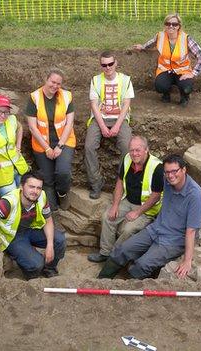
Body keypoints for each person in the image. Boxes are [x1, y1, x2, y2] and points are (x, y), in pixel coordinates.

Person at [98, 154, 201, 279]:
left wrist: (187, 261)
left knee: (142, 265)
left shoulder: (195, 196)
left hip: (174, 240)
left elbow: (191, 231)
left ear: (184, 169)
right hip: (156, 229)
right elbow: (148, 169)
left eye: (174, 171)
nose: (170, 175)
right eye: (167, 172)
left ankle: (127, 293)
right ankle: (100, 283)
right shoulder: (167, 180)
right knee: (122, 250)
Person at [0, 170, 66, 280]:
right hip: (13, 236)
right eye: (31, 187)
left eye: (38, 188)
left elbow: (48, 220)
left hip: (31, 229)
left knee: (59, 240)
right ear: (21, 186)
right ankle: (32, 276)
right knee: (36, 264)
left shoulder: (42, 196)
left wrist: (50, 245)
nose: (35, 191)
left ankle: (49, 269)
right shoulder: (9, 202)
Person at [87, 136, 163, 262]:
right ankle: (105, 253)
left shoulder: (157, 167)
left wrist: (137, 212)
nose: (134, 153)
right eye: (132, 150)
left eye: (138, 150)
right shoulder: (127, 159)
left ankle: (115, 257)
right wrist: (115, 205)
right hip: (128, 201)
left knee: (128, 229)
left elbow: (155, 196)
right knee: (107, 217)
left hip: (146, 209)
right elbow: (119, 183)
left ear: (146, 150)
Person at [84, 51, 134, 199]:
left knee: (127, 147)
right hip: (100, 118)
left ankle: (121, 183)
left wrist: (117, 125)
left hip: (120, 119)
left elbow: (126, 105)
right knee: (89, 147)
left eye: (110, 64)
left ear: (116, 63)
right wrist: (103, 127)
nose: (108, 67)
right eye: (104, 65)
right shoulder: (95, 80)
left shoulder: (125, 80)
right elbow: (94, 105)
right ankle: (96, 182)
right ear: (101, 65)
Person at [25, 68, 76, 211]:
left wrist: (59, 146)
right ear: (46, 80)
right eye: (53, 82)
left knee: (63, 172)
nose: (55, 86)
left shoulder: (67, 96)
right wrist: (47, 148)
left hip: (64, 141)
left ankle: (62, 194)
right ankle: (52, 210)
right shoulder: (34, 97)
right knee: (47, 180)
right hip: (42, 144)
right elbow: (32, 127)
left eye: (58, 84)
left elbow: (69, 123)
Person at [132, 13, 201, 107]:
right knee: (160, 86)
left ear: (179, 26)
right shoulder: (160, 36)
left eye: (174, 24)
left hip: (182, 70)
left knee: (187, 87)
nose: (171, 26)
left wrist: (192, 73)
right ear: (165, 25)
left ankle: (185, 97)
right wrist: (142, 47)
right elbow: (151, 43)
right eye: (168, 24)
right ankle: (166, 94)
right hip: (165, 69)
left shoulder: (186, 39)